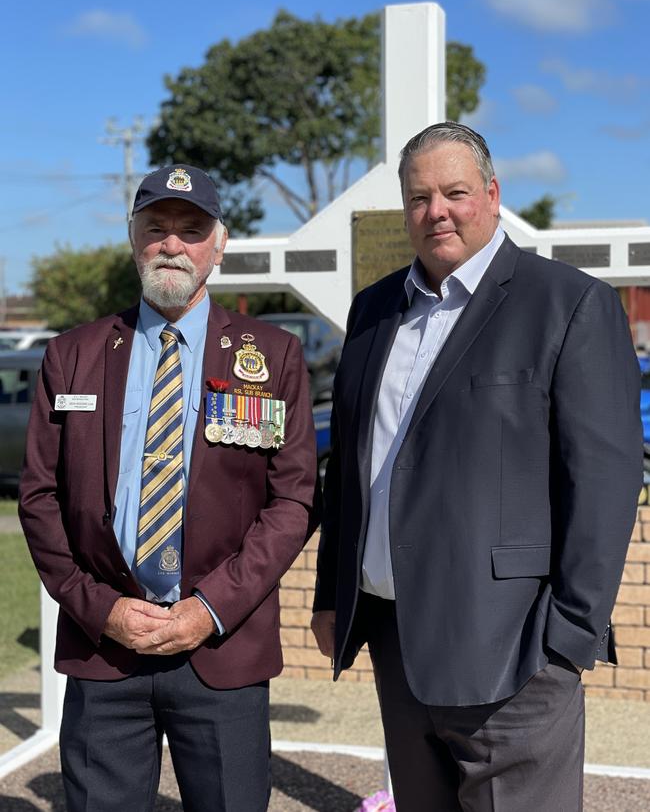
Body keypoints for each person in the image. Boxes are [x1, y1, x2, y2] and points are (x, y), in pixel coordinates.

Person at [311, 122, 642, 811]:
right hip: (395, 640)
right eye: (419, 197)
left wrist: (566, 641)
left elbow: (604, 483)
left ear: (491, 195)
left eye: (455, 192)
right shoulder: (373, 310)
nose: (437, 210)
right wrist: (330, 593)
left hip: (513, 652)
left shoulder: (568, 304)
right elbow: (348, 464)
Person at [19, 164, 317, 812]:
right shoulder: (73, 355)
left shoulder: (272, 356)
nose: (172, 244)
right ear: (133, 238)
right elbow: (39, 498)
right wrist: (100, 608)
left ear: (220, 243)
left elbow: (292, 502)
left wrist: (206, 608)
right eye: (156, 227)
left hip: (221, 647)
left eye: (191, 229)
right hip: (106, 651)